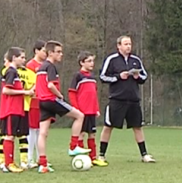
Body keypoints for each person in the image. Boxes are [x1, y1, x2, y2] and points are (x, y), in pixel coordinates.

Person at [97, 35, 156, 164]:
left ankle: (144, 155)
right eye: (125, 44)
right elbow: (103, 76)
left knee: (137, 127)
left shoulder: (136, 60)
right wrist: (118, 77)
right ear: (119, 46)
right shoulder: (111, 60)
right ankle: (101, 155)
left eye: (129, 44)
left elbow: (144, 77)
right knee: (108, 126)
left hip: (133, 100)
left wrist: (137, 76)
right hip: (117, 99)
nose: (128, 46)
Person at [35, 41, 90, 174]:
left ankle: (42, 164)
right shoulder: (51, 67)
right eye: (58, 52)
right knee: (80, 116)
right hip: (51, 99)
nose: (61, 54)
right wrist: (59, 95)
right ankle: (73, 146)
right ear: (50, 53)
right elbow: (50, 85)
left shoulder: (41, 67)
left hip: (41, 102)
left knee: (43, 133)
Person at [68, 51, 108, 167]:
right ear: (81, 62)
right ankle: (79, 156)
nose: (92, 64)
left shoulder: (93, 78)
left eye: (93, 61)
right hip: (82, 112)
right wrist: (76, 108)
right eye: (89, 61)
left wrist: (96, 109)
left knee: (92, 134)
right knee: (81, 134)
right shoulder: (78, 76)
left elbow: (94, 95)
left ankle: (93, 158)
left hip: (91, 111)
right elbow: (72, 93)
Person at [0, 47, 34, 173]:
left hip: (16, 108)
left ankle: (11, 162)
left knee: (12, 136)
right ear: (14, 58)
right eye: (22, 57)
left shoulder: (15, 72)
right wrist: (25, 92)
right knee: (9, 136)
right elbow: (6, 90)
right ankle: (8, 163)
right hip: (11, 109)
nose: (24, 60)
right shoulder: (11, 72)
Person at [25, 40, 47, 169]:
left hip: (43, 101)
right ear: (36, 51)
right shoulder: (30, 65)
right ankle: (29, 158)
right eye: (43, 51)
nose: (45, 53)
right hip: (33, 101)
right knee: (32, 130)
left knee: (41, 130)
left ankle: (41, 157)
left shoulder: (46, 65)